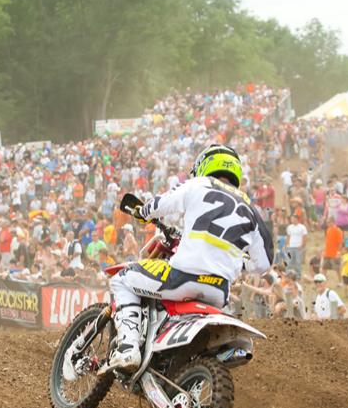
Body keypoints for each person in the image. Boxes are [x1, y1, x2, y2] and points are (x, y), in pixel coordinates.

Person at [108, 145, 275, 370]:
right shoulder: (251, 209)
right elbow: (263, 263)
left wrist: (142, 212)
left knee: (121, 279)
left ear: (205, 164)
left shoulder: (199, 184)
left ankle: (128, 348)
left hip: (183, 277)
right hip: (219, 292)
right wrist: (236, 260)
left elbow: (160, 204)